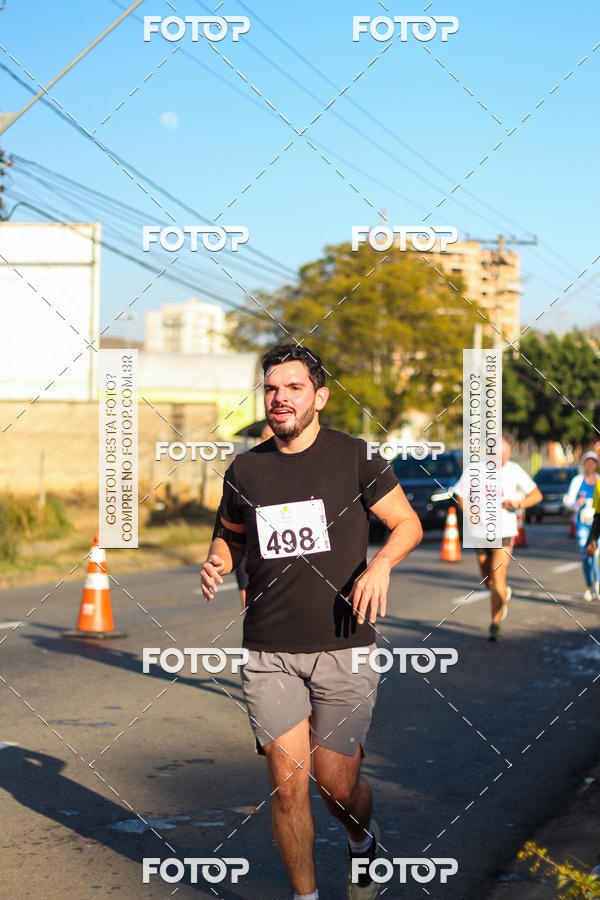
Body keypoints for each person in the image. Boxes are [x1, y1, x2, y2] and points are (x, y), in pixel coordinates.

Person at [200, 344, 422, 900]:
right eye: (272, 388)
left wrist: (380, 566)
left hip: (343, 644)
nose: (280, 399)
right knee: (286, 785)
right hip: (269, 649)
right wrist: (216, 562)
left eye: (293, 388)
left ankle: (362, 842)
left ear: (318, 397)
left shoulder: (354, 457)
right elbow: (230, 534)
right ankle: (307, 896)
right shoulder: (246, 468)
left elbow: (407, 524)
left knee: (335, 784)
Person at [452, 437, 542, 642]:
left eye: (507, 455)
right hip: (480, 533)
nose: (504, 460)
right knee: (488, 579)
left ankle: (495, 624)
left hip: (504, 531)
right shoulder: (475, 469)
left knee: (498, 574)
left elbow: (536, 495)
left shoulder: (514, 469)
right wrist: (469, 513)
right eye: (501, 456)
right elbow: (460, 495)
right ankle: (501, 593)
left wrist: (519, 502)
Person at [235, 423, 274, 609]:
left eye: (268, 436)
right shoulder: (246, 470)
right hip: (253, 557)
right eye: (262, 436)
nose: (262, 441)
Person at [564, 451, 600, 600]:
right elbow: (567, 501)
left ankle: (597, 583)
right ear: (584, 464)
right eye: (587, 462)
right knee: (586, 556)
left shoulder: (599, 481)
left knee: (597, 555)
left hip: (597, 524)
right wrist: (575, 504)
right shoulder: (577, 481)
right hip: (582, 526)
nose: (590, 464)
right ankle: (588, 586)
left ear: (597, 465)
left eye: (593, 462)